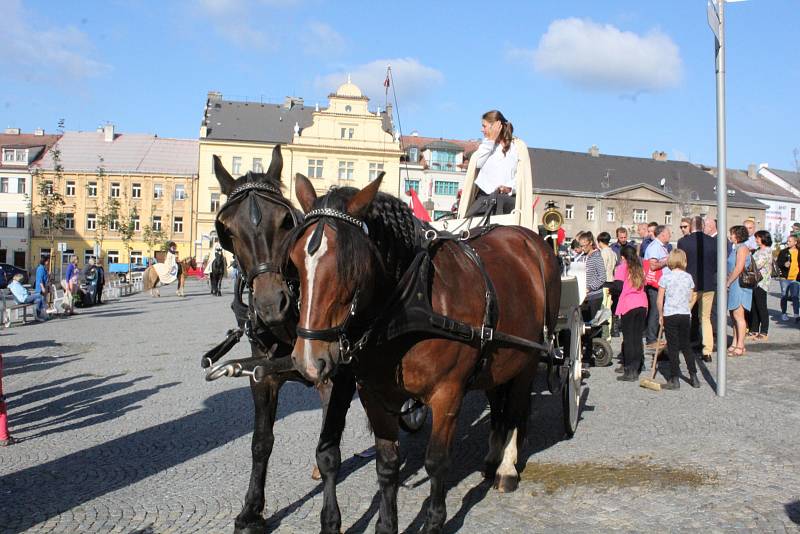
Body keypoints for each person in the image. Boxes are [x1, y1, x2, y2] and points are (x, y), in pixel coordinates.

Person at [463, 110, 532, 221]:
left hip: (506, 200)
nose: (482, 129)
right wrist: (490, 140)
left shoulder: (517, 147)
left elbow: (522, 177)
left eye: (484, 126)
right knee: (467, 226)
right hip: (484, 199)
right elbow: (478, 163)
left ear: (495, 126)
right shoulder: (486, 145)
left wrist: (509, 187)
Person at [657, 249, 701, 390]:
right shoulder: (688, 277)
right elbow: (691, 295)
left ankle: (674, 378)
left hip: (670, 313)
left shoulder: (666, 277)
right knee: (686, 345)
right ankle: (693, 375)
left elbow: (659, 299)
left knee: (673, 347)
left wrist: (660, 314)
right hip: (684, 314)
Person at [677, 216, 717, 362]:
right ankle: (707, 351)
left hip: (690, 284)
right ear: (703, 225)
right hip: (708, 284)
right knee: (705, 318)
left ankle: (681, 344)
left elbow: (680, 263)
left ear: (692, 226)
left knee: (683, 314)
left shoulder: (683, 242)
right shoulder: (713, 242)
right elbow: (717, 264)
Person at [614, 246, 648, 381]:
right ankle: (637, 366)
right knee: (637, 338)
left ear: (622, 257)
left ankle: (629, 371)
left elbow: (618, 286)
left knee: (628, 339)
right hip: (641, 303)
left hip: (628, 304)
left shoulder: (623, 267)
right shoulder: (639, 267)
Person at [576, 232, 607, 359]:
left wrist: (590, 287)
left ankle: (591, 353)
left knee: (591, 326)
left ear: (590, 243)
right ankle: (583, 351)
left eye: (584, 245)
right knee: (583, 325)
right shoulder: (583, 256)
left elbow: (602, 277)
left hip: (593, 296)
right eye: (581, 245)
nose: (582, 248)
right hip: (583, 296)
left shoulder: (597, 257)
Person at [726, 225, 753, 356]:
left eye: (732, 233)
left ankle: (741, 345)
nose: (730, 236)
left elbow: (739, 267)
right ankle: (735, 342)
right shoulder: (735, 248)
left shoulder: (742, 248)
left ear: (737, 235)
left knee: (739, 315)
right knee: (733, 315)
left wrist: (728, 281)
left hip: (739, 285)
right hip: (734, 285)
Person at [643, 225, 671, 348]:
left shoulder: (662, 247)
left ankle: (656, 336)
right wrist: (668, 260)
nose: (670, 235)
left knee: (659, 311)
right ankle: (651, 339)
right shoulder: (655, 247)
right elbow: (653, 266)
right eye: (668, 233)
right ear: (662, 234)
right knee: (655, 310)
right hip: (655, 284)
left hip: (661, 283)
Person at [747, 230, 773, 340]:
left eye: (758, 238)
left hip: (762, 283)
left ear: (764, 238)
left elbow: (756, 265)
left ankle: (764, 331)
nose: (756, 240)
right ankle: (753, 329)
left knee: (761, 307)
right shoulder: (758, 250)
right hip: (754, 283)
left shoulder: (766, 251)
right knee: (754, 307)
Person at [777, 234, 799, 322]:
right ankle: (784, 313)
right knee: (784, 296)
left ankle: (796, 315)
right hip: (784, 278)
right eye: (787, 241)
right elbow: (778, 263)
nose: (788, 242)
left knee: (795, 296)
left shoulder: (799, 251)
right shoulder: (783, 252)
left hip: (796, 278)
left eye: (790, 241)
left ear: (795, 242)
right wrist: (784, 264)